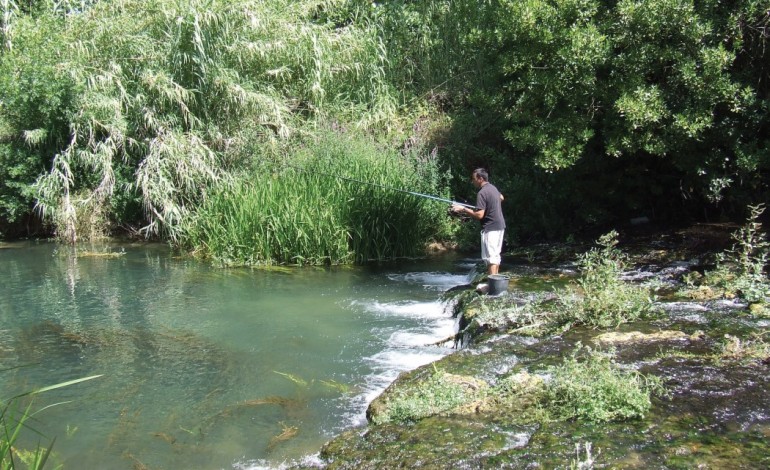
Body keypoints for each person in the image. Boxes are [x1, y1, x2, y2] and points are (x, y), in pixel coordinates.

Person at [452, 168, 506, 275]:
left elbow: (479, 215)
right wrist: (491, 203)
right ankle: (494, 282)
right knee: (495, 256)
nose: (473, 181)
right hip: (500, 226)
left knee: (491, 258)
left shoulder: (482, 193)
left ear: (480, 179)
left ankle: (492, 285)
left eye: (474, 179)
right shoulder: (493, 188)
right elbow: (501, 197)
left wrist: (463, 209)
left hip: (491, 228)